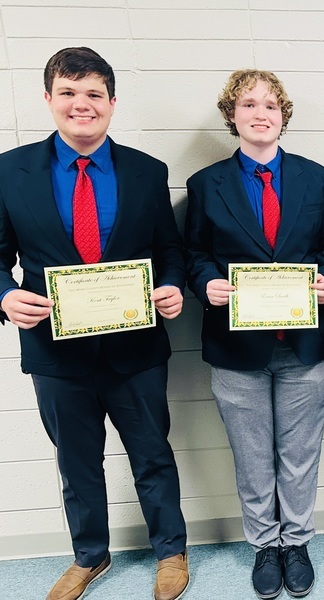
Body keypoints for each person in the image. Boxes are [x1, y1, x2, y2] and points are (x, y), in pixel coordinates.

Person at [0, 47, 188, 600]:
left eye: (93, 94)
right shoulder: (9, 171)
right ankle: (90, 556)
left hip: (137, 349)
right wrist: (6, 296)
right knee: (76, 460)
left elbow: (169, 251)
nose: (81, 104)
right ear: (48, 99)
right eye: (68, 93)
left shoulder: (148, 172)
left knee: (153, 453)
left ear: (111, 102)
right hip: (54, 353)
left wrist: (174, 286)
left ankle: (171, 550)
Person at [184, 69, 324, 599]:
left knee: (300, 453)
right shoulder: (206, 185)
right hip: (236, 347)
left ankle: (296, 541)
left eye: (270, 104)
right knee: (251, 455)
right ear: (232, 115)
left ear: (283, 115)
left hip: (304, 344)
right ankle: (264, 546)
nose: (260, 113)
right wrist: (207, 285)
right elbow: (194, 255)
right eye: (248, 104)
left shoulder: (318, 179)